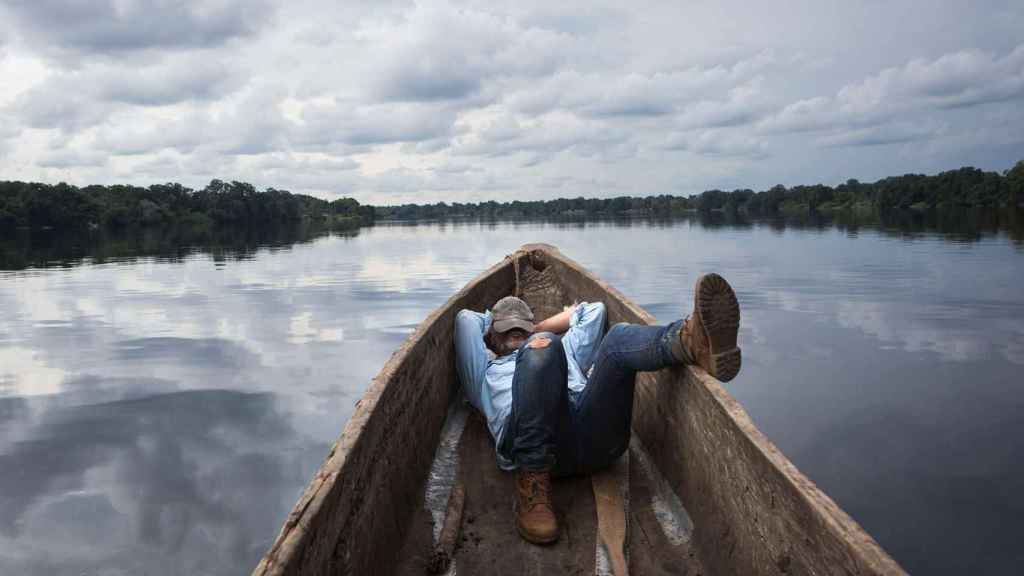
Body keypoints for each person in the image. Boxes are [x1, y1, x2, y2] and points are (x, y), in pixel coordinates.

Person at [454, 273, 741, 545]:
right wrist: (510, 330)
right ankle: (534, 490)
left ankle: (689, 342)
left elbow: (594, 310)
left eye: (521, 329)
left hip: (599, 443)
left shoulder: (563, 347)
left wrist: (537, 329)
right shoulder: (482, 372)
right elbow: (465, 319)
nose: (515, 334)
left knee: (616, 339)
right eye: (507, 331)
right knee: (542, 349)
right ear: (490, 337)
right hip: (538, 451)